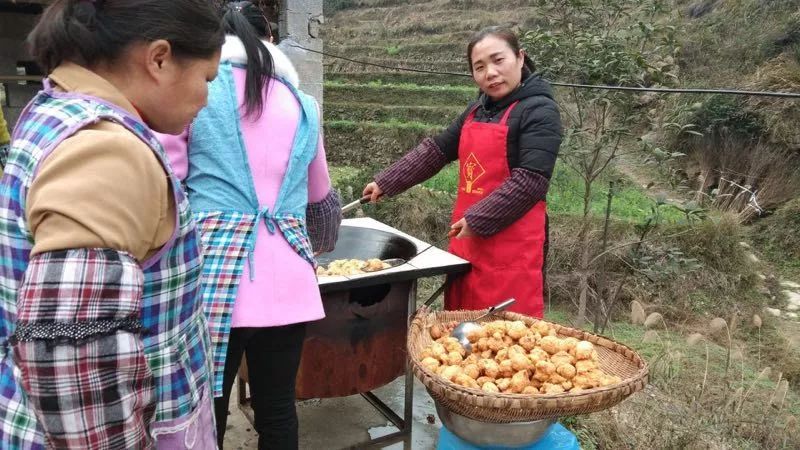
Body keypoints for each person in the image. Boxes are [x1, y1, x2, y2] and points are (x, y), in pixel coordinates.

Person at [0, 1, 225, 448]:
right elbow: (71, 358)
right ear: (159, 58)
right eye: (206, 78)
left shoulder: (52, 110)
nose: (206, 98)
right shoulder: (107, 152)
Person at [157, 2, 341, 449]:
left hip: (213, 276)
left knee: (207, 410)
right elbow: (323, 203)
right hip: (290, 283)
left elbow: (166, 182)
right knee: (278, 408)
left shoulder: (198, 91)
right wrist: (308, 245)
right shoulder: (304, 105)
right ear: (271, 41)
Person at [363, 26, 562, 318]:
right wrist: (387, 181)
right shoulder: (477, 109)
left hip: (509, 250)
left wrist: (478, 220)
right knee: (460, 327)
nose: (490, 73)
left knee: (502, 335)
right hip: (468, 240)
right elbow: (438, 150)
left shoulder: (540, 111)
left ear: (520, 58)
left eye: (498, 60)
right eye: (479, 67)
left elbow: (531, 182)